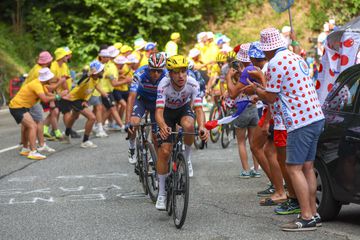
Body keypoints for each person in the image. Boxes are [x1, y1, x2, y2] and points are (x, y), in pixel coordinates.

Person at [247, 27, 325, 231]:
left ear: (267, 49)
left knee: (293, 168)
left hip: (299, 120)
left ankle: (306, 216)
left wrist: (256, 89)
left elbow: (271, 98)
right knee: (307, 167)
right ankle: (313, 214)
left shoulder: (275, 63)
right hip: (315, 116)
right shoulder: (293, 56)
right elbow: (279, 92)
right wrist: (262, 92)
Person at [155, 55, 208, 210]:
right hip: (166, 114)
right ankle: (162, 193)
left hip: (183, 109)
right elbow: (158, 112)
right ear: (170, 74)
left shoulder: (192, 83)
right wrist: (163, 126)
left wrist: (203, 126)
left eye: (184, 71)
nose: (181, 76)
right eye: (176, 72)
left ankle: (187, 158)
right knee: (164, 151)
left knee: (189, 126)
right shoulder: (163, 85)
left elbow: (198, 108)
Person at [9, 68, 66, 160]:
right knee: (33, 126)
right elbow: (45, 99)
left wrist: (60, 96)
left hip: (20, 106)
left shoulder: (41, 84)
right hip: (17, 107)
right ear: (46, 79)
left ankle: (25, 149)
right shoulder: (37, 85)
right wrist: (59, 96)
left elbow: (48, 94)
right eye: (50, 78)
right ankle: (33, 152)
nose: (51, 79)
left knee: (28, 127)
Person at [125, 52, 167, 164]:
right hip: (142, 100)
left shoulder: (167, 75)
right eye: (153, 70)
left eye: (159, 71)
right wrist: (127, 120)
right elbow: (131, 97)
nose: (156, 73)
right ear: (148, 67)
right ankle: (132, 147)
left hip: (157, 103)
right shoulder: (140, 73)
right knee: (133, 124)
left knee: (156, 134)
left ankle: (154, 156)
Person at [226, 43, 260, 178]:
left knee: (241, 142)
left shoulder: (240, 76)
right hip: (253, 108)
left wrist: (229, 77)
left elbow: (232, 93)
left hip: (241, 109)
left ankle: (246, 170)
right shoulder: (255, 71)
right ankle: (256, 170)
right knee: (254, 142)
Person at [61, 60, 105, 148]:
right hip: (73, 98)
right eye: (101, 70)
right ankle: (85, 141)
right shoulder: (88, 78)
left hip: (80, 99)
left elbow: (89, 92)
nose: (103, 71)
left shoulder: (95, 79)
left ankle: (66, 135)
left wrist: (85, 100)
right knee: (92, 118)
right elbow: (79, 82)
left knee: (74, 116)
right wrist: (88, 74)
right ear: (96, 72)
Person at [20, 51, 56, 155]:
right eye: (51, 60)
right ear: (48, 61)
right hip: (31, 98)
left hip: (24, 96)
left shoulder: (36, 68)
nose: (51, 62)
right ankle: (41, 145)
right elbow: (43, 88)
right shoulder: (40, 72)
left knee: (26, 124)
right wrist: (53, 98)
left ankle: (25, 146)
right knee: (39, 120)